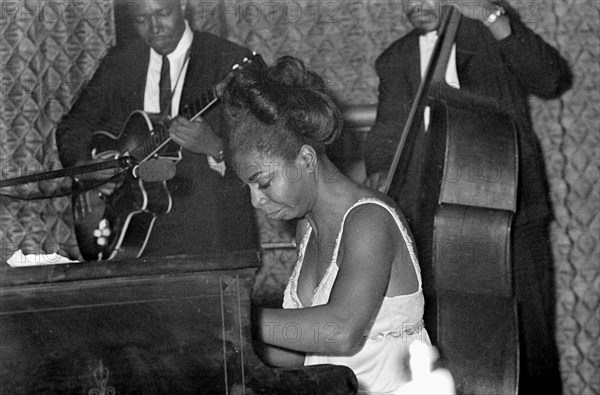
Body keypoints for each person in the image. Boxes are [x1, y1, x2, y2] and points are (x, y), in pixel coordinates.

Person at [363, 1, 572, 393]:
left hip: (509, 215)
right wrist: (379, 169)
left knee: (532, 342)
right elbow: (385, 133)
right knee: (460, 341)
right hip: (434, 223)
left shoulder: (488, 36)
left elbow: (550, 79)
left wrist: (493, 16)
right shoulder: (395, 59)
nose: (413, 5)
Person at [222, 55, 432, 393]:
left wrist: (233, 316)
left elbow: (341, 332)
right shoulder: (307, 230)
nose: (255, 200)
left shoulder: (370, 219)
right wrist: (230, 342)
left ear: (305, 159)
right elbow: (310, 355)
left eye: (263, 182)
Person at [55, 0, 259, 259]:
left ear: (183, 5)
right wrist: (87, 169)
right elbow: (73, 126)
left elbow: (263, 149)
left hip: (212, 235)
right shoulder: (120, 62)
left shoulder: (229, 59)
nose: (154, 28)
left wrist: (215, 147)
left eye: (162, 13)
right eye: (141, 20)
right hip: (131, 229)